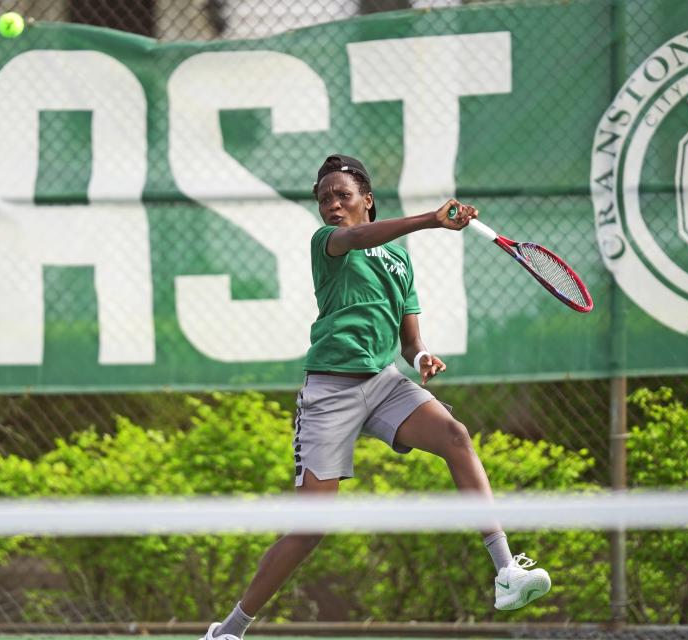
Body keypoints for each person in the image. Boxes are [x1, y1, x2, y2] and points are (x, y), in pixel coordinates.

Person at [201, 155, 551, 640]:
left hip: (383, 383)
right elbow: (361, 238)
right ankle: (229, 631)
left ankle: (506, 571)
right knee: (310, 529)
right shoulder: (328, 242)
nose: (332, 205)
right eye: (324, 199)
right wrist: (432, 219)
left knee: (455, 435)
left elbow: (410, 339)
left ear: (366, 199)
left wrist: (423, 355)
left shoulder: (399, 258)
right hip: (329, 390)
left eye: (342, 195)